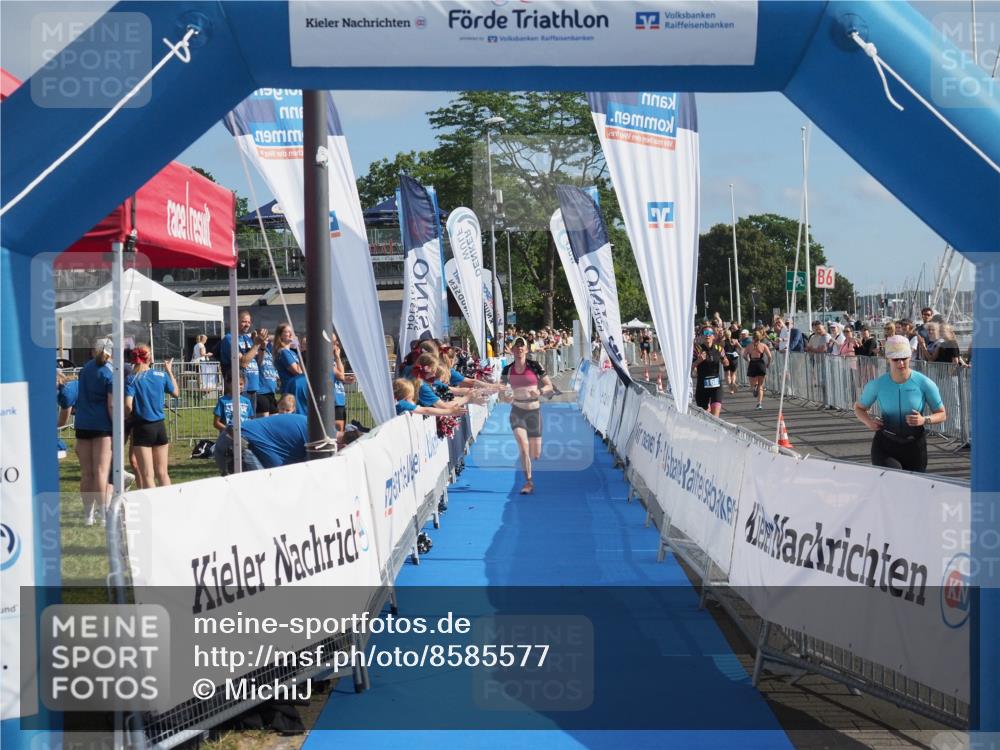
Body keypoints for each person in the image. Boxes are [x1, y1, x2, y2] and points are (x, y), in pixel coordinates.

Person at [853, 335, 946, 473]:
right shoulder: (877, 384)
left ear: (910, 357)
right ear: (888, 359)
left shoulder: (924, 383)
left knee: (913, 485)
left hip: (915, 447)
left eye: (904, 358)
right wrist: (869, 422)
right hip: (885, 445)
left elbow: (942, 414)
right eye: (895, 359)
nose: (900, 363)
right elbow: (859, 408)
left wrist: (924, 419)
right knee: (892, 481)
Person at [500, 337, 554, 495]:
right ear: (512, 350)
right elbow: (501, 390)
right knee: (523, 447)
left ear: (527, 349)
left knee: (535, 453)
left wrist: (540, 391)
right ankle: (529, 481)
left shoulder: (535, 366)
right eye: (516, 347)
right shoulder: (507, 370)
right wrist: (505, 397)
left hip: (534, 412)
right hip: (517, 411)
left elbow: (549, 386)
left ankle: (532, 458)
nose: (519, 349)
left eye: (522, 346)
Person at [125, 345, 179, 489]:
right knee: (163, 473)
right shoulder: (161, 375)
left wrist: (125, 417)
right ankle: (169, 501)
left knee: (147, 475)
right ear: (149, 358)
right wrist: (169, 371)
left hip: (142, 427)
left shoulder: (131, 379)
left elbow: (128, 405)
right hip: (159, 426)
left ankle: (152, 503)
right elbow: (176, 392)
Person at [74, 339, 114, 525]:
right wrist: (117, 426)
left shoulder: (84, 369)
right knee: (101, 472)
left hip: (82, 423)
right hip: (102, 425)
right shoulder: (109, 371)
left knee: (87, 473)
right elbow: (111, 404)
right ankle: (104, 515)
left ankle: (88, 516)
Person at [215, 412, 309, 475]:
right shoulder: (310, 432)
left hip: (231, 438)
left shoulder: (305, 425)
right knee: (262, 486)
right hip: (237, 441)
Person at [692, 328, 728, 417]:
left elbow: (726, 363)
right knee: (705, 417)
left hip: (716, 386)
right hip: (702, 386)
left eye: (709, 333)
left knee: (715, 417)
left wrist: (724, 360)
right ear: (701, 336)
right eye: (705, 333)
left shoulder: (719, 348)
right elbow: (690, 368)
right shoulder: (697, 349)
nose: (707, 335)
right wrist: (698, 361)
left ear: (713, 336)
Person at [274, 323, 309, 416]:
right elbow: (298, 371)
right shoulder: (284, 352)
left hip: (299, 387)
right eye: (287, 332)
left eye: (291, 332)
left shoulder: (292, 352)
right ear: (280, 335)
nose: (291, 334)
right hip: (291, 390)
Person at [393, 378, 467, 416]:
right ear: (405, 396)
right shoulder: (402, 404)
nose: (412, 400)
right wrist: (450, 411)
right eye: (410, 397)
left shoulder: (395, 402)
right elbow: (426, 410)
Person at [331, 335, 356, 431]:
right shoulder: (327, 360)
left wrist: (345, 379)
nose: (337, 344)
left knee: (341, 428)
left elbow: (340, 376)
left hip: (340, 399)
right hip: (334, 401)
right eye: (334, 342)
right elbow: (341, 375)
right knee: (338, 430)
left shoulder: (333, 360)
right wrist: (337, 357)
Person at [744, 331, 771, 409]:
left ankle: (754, 386)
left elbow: (744, 355)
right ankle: (759, 404)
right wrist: (768, 363)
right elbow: (769, 356)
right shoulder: (763, 345)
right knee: (761, 386)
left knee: (752, 384)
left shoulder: (749, 346)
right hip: (761, 364)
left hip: (753, 363)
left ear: (753, 337)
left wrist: (748, 360)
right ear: (760, 337)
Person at [255, 334, 279, 416]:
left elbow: (275, 338)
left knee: (275, 419)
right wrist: (262, 344)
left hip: (271, 391)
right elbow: (259, 361)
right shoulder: (258, 350)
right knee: (264, 419)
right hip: (261, 392)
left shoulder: (269, 351)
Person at [721, 329, 740, 395]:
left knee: (727, 374)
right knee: (733, 373)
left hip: (726, 358)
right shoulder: (735, 340)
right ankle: (733, 383)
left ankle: (731, 389)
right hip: (734, 358)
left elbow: (721, 351)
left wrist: (722, 358)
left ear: (724, 335)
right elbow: (740, 348)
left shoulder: (723, 342)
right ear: (730, 334)